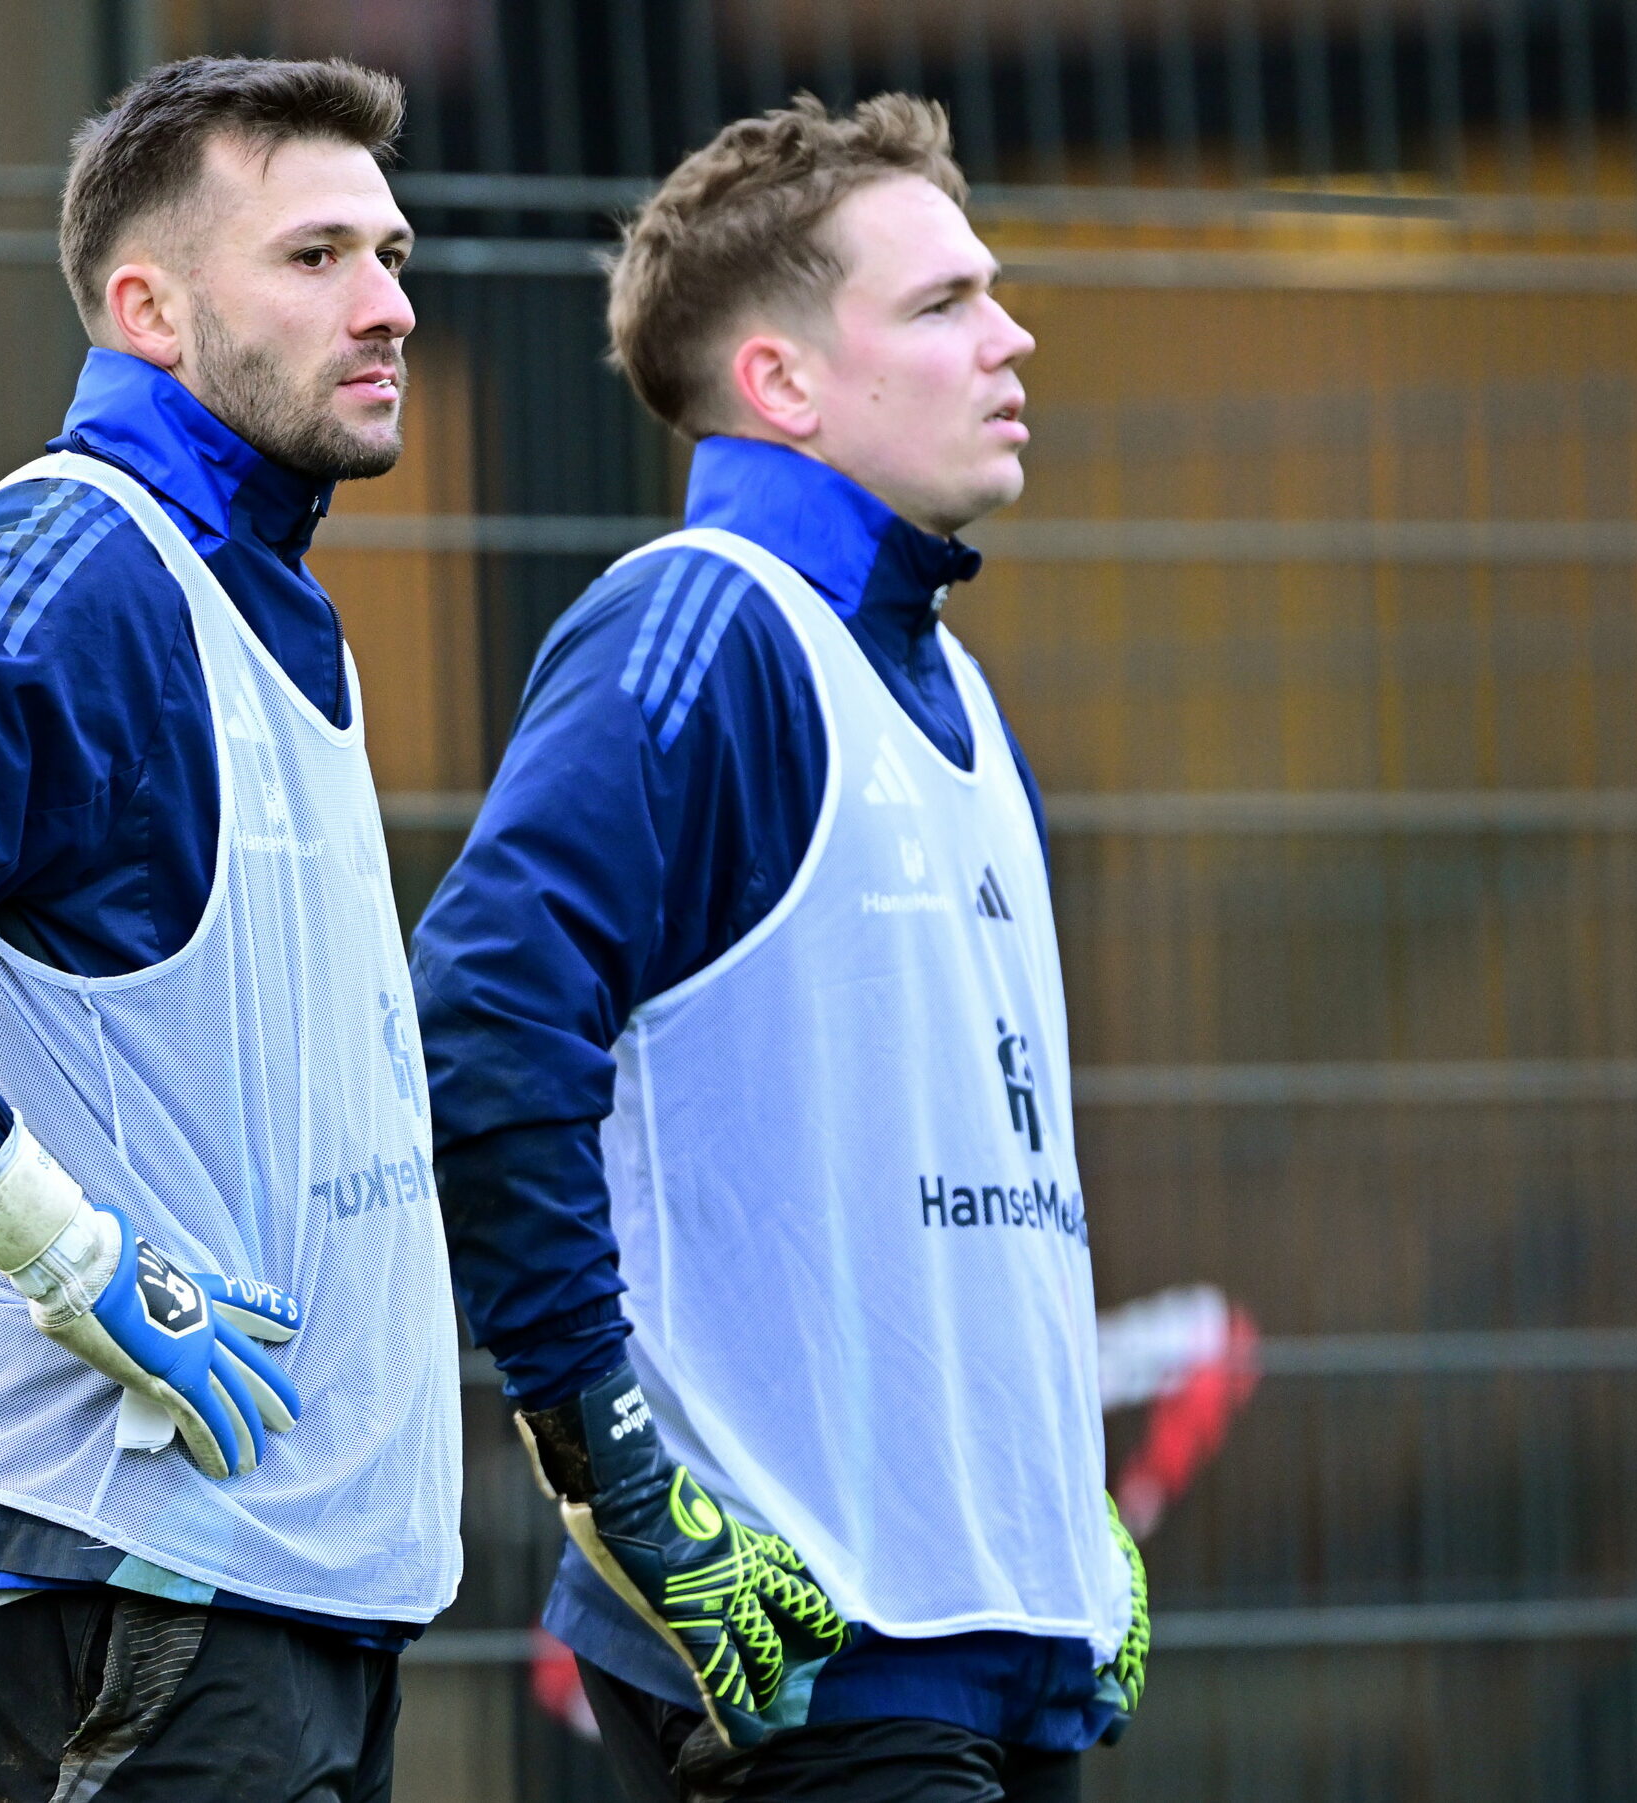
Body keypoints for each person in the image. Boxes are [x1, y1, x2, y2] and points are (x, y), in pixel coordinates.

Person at [0, 56, 459, 1803]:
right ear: (151, 307)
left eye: (392, 250)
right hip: (137, 1595)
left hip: (291, 1605)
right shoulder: (82, 557)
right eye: (319, 255)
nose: (390, 303)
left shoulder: (278, 605)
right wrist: (72, 1254)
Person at [412, 94, 1148, 1803]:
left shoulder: (956, 687)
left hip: (993, 1637)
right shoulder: (703, 621)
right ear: (784, 384)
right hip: (810, 1644)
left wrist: (1061, 1495)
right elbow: (481, 1011)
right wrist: (610, 1460)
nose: (1010, 333)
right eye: (944, 304)